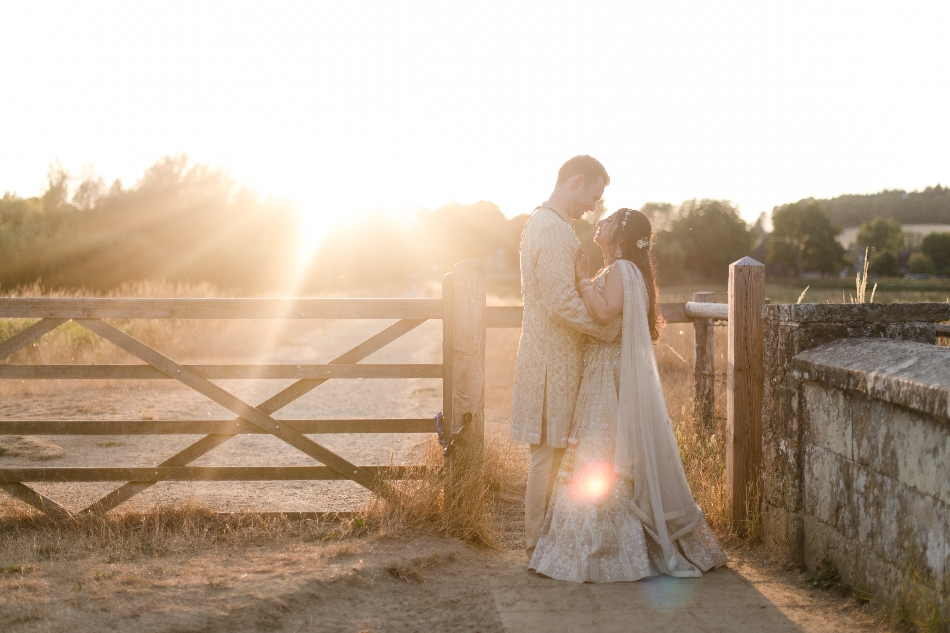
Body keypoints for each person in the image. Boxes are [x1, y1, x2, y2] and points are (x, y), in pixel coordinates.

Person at [529, 208, 728, 582]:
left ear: (620, 234)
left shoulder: (621, 269)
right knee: (601, 451)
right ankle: (613, 542)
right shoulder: (623, 270)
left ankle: (610, 549)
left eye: (607, 221)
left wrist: (582, 280)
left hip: (608, 372)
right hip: (604, 369)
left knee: (599, 451)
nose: (599, 224)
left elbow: (604, 313)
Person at [511, 155, 622, 560]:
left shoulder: (545, 224)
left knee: (554, 452)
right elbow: (559, 302)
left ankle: (544, 540)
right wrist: (607, 330)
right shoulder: (553, 230)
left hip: (550, 356)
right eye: (593, 196)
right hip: (550, 361)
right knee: (547, 453)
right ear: (576, 182)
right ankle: (536, 544)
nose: (594, 207)